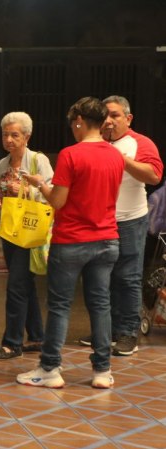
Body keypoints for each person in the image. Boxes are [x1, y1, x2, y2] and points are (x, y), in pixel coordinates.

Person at [17, 97, 124, 390]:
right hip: (107, 238)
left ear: (79, 121)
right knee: (100, 305)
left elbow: (58, 201)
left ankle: (50, 368)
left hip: (71, 240)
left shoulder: (70, 154)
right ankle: (102, 370)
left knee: (60, 306)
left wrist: (41, 184)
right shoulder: (115, 155)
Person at [76, 95, 163, 356]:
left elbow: (155, 175)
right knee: (101, 277)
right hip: (99, 220)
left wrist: (122, 159)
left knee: (128, 277)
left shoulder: (140, 142)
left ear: (128, 118)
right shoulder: (95, 141)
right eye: (105, 116)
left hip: (130, 220)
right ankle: (107, 331)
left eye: (115, 115)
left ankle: (128, 333)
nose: (109, 121)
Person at [0, 112, 53, 361]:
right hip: (9, 229)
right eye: (5, 135)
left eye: (15, 135)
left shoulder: (38, 160)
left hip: (31, 230)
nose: (9, 140)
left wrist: (25, 189)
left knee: (16, 285)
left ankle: (12, 342)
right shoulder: (2, 164)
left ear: (27, 136)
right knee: (24, 284)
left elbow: (53, 194)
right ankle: (37, 337)